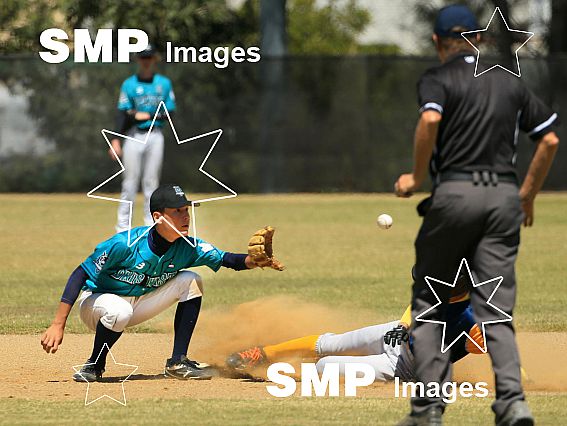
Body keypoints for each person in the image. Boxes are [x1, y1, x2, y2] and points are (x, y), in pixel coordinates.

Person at [394, 5, 559, 426]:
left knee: (430, 303)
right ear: (478, 38)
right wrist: (527, 196)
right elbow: (549, 140)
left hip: (454, 194)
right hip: (503, 199)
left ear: (437, 41)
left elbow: (430, 119)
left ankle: (428, 408)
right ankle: (513, 404)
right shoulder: (509, 80)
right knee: (496, 310)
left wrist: (416, 176)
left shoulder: (437, 78)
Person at [40, 184, 284, 381]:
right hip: (97, 304)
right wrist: (58, 324)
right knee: (119, 311)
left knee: (191, 280)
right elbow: (80, 273)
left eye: (186, 210)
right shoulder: (125, 244)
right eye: (177, 211)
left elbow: (227, 259)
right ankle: (94, 364)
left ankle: (178, 363)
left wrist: (255, 260)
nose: (185, 216)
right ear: (158, 217)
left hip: (139, 303)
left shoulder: (188, 247)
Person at [227, 273, 486, 382]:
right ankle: (263, 354)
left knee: (325, 366)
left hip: (406, 367)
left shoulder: (474, 317)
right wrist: (403, 324)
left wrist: (479, 343)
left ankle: (273, 373)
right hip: (396, 335)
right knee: (331, 343)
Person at [110, 44, 175, 233]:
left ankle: (151, 227)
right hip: (134, 135)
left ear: (154, 59)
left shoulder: (163, 83)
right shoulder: (129, 84)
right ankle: (123, 227)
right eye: (143, 57)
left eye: (149, 57)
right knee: (129, 182)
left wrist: (147, 115)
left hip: (155, 135)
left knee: (151, 182)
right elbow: (123, 113)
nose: (146, 61)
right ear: (138, 59)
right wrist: (115, 139)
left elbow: (170, 112)